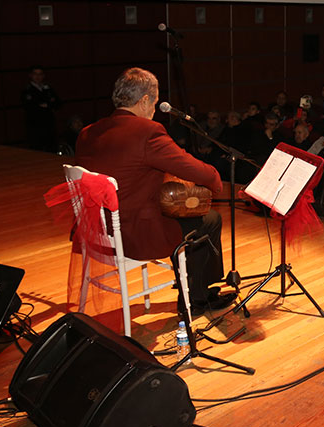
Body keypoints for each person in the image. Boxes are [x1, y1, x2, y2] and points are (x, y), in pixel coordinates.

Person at [75, 67, 232, 313]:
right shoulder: (146, 133)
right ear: (145, 100)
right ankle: (197, 298)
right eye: (155, 102)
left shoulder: (88, 132)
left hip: (96, 232)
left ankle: (194, 290)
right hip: (134, 235)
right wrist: (214, 177)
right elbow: (192, 169)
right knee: (209, 219)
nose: (154, 110)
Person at [22, 65, 61, 152]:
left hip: (49, 124)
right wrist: (47, 104)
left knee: (52, 149)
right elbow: (30, 107)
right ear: (31, 75)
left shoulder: (48, 89)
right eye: (35, 74)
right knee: (37, 150)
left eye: (40, 74)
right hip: (35, 126)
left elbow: (58, 103)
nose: (38, 77)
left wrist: (46, 105)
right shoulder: (27, 90)